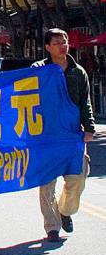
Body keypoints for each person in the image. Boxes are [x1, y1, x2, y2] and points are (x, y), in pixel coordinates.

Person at [34, 29, 96, 242]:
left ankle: (65, 210)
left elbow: (85, 102)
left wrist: (89, 127)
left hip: (72, 134)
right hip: (46, 135)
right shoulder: (38, 70)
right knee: (47, 182)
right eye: (58, 42)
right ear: (48, 47)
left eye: (65, 41)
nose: (63, 45)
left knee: (78, 177)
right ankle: (52, 227)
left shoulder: (78, 72)